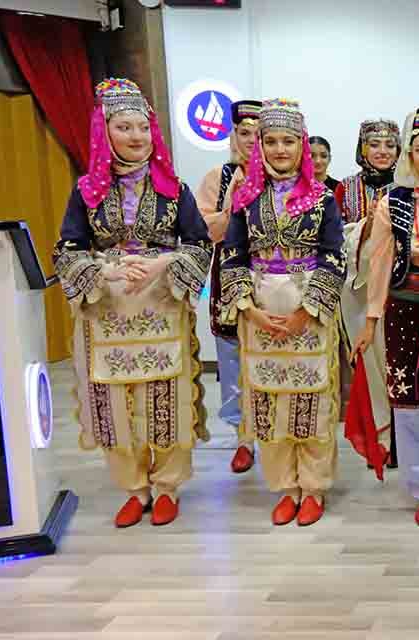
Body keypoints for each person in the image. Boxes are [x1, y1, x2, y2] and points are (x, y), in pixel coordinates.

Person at [53, 78, 212, 528]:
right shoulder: (86, 191)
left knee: (166, 398)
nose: (136, 136)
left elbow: (199, 244)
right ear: (104, 132)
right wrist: (106, 271)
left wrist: (162, 264)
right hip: (107, 311)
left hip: (160, 306)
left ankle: (167, 486)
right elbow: (67, 249)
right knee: (114, 404)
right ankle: (134, 488)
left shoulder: (174, 189)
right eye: (124, 127)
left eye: (143, 127)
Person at [218, 98, 346, 527]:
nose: (279, 149)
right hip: (259, 312)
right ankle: (285, 487)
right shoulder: (245, 199)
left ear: (301, 146)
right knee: (268, 403)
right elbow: (232, 255)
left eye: (288, 141)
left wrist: (305, 313)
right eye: (270, 141)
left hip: (308, 310)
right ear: (260, 147)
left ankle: (313, 487)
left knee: (313, 400)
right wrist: (249, 310)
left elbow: (334, 256)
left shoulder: (322, 199)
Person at [357, 106, 419, 527]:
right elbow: (379, 263)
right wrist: (371, 320)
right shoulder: (393, 201)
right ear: (409, 154)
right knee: (411, 400)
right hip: (404, 309)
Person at [194, 98, 261, 475]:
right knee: (233, 359)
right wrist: (232, 204)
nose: (252, 141)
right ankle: (242, 439)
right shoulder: (218, 178)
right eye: (244, 133)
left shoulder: (284, 176)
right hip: (229, 277)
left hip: (273, 279)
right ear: (233, 135)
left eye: (259, 134)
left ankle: (276, 435)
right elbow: (205, 231)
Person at [335, 119, 400, 223]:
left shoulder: (407, 186)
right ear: (363, 150)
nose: (383, 151)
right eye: (374, 145)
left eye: (390, 146)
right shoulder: (346, 187)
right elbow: (334, 229)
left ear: (398, 151)